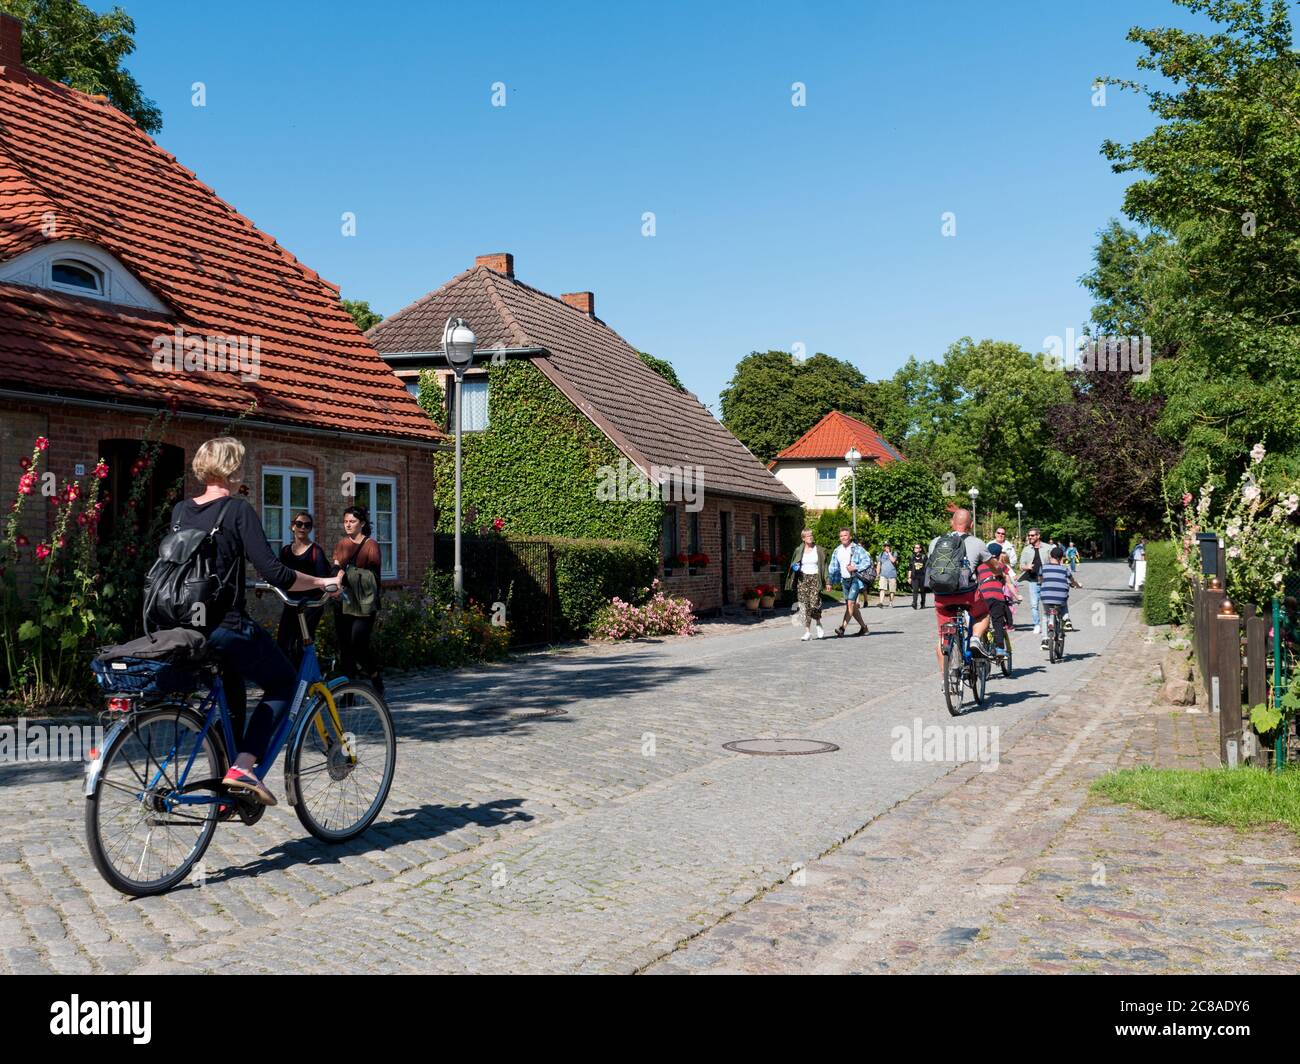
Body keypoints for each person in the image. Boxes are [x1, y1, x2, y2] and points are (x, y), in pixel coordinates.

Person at [173, 438, 340, 806]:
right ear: (231, 469)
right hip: (225, 624)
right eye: (241, 464)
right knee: (283, 683)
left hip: (185, 627)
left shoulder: (181, 510)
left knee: (231, 701)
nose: (244, 470)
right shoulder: (237, 510)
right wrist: (319, 581)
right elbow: (277, 573)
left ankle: (226, 787)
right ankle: (244, 767)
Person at [927, 508, 992, 673]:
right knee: (983, 614)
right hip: (967, 594)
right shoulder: (977, 543)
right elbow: (994, 567)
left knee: (943, 639)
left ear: (951, 523)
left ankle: (946, 681)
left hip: (942, 595)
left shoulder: (936, 542)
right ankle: (975, 639)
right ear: (971, 525)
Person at [333, 505, 384, 694]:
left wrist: (344, 574)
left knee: (358, 644)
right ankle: (348, 692)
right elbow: (335, 567)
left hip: (363, 602)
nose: (348, 525)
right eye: (345, 521)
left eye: (352, 521)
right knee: (345, 647)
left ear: (361, 523)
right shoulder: (341, 544)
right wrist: (337, 574)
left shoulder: (371, 545)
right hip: (343, 601)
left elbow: (372, 576)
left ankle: (374, 675)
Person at [275, 510, 331, 667]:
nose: (302, 528)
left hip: (310, 605)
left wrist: (311, 600)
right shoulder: (286, 551)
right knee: (283, 643)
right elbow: (281, 577)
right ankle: (289, 681)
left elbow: (323, 582)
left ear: (310, 529)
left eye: (307, 525)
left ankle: (305, 681)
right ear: (292, 526)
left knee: (302, 644)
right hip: (291, 603)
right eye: (299, 524)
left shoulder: (315, 552)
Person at [786, 528, 830, 640]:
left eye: (811, 535)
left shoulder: (819, 550)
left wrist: (827, 581)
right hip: (802, 579)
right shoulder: (798, 550)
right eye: (808, 536)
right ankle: (807, 632)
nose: (810, 537)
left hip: (815, 578)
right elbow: (793, 564)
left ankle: (818, 623)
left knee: (815, 603)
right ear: (803, 538)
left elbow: (825, 567)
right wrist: (795, 567)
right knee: (804, 606)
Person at [827, 527, 870, 636]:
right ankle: (864, 628)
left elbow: (867, 561)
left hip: (855, 579)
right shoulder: (837, 550)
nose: (843, 538)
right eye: (841, 536)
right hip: (844, 580)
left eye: (845, 535)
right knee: (851, 606)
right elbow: (832, 567)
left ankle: (842, 628)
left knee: (850, 603)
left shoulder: (857, 549)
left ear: (850, 536)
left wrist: (855, 567)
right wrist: (829, 581)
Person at [1039, 545, 1081, 650]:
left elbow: (1040, 580)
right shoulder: (1064, 569)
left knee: (1045, 616)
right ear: (1061, 558)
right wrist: (1077, 585)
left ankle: (1044, 640)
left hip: (1046, 597)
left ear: (1050, 556)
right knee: (1063, 601)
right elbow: (1072, 581)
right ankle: (1067, 620)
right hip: (1060, 597)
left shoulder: (1043, 567)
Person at [976, 544, 1013, 657]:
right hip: (997, 598)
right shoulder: (1001, 566)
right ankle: (1000, 648)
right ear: (999, 554)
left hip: (982, 597)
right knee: (997, 622)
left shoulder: (979, 567)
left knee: (982, 620)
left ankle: (980, 641)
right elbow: (1010, 580)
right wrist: (1017, 596)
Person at [1017, 527, 1048, 634]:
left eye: (1032, 535)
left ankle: (1048, 623)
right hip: (1033, 580)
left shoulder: (1047, 548)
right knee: (1034, 605)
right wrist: (1027, 567)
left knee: (1047, 603)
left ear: (1038, 536)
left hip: (1046, 580)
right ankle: (1037, 625)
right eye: (1029, 535)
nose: (1030, 537)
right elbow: (1021, 566)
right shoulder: (1026, 549)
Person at [876, 542, 899, 608]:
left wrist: (889, 553)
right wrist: (877, 574)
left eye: (888, 545)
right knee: (882, 588)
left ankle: (890, 602)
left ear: (890, 546)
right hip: (883, 574)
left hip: (892, 574)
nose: (886, 547)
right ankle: (881, 602)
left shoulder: (894, 553)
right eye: (885, 546)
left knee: (892, 590)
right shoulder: (881, 554)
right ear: (883, 547)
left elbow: (893, 560)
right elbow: (879, 564)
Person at [909, 544, 928, 609]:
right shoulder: (912, 557)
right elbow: (910, 568)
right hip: (914, 576)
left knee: (922, 591)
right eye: (915, 547)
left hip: (922, 576)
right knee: (915, 590)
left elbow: (927, 567)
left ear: (920, 549)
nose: (915, 549)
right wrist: (909, 577)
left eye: (917, 548)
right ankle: (914, 603)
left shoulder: (924, 557)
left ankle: (923, 604)